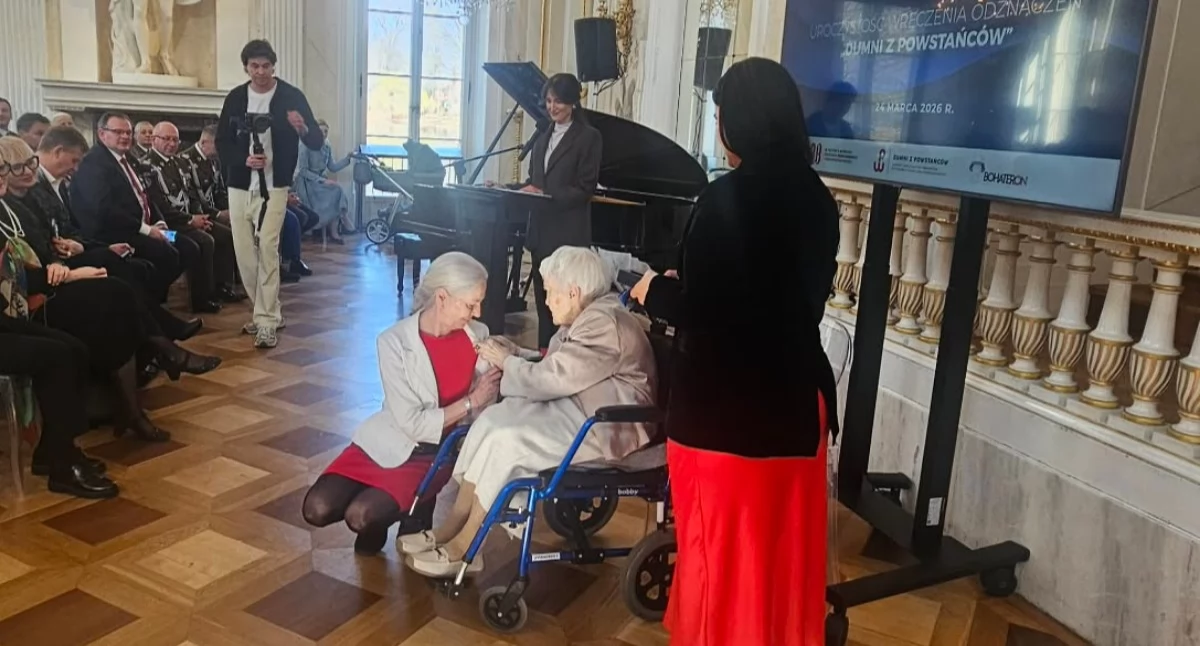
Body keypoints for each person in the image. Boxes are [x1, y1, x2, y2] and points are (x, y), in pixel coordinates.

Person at [628, 58, 841, 646]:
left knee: (717, 562)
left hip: (725, 417)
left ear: (737, 122)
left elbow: (706, 312)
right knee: (778, 564)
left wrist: (654, 290)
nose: (718, 126)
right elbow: (783, 305)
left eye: (720, 113)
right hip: (795, 410)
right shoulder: (819, 200)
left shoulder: (724, 199)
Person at [401, 246, 655, 578]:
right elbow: (561, 363)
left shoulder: (604, 323)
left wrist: (508, 362)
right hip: (580, 408)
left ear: (573, 292)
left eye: (550, 292)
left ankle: (466, 545)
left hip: (606, 426)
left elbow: (553, 379)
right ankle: (451, 527)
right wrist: (514, 352)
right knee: (492, 421)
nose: (546, 301)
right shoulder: (592, 311)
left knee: (508, 440)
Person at [0, 142, 221, 444]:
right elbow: (25, 269)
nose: (26, 172)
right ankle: (159, 352)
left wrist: (73, 249)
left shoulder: (23, 202)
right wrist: (69, 267)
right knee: (114, 286)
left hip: (54, 274)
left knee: (119, 286)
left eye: (29, 163)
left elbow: (58, 236)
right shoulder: (19, 202)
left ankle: (136, 392)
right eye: (13, 168)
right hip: (35, 298)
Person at [302, 252, 500, 555]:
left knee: (361, 515)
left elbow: (493, 392)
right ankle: (402, 509)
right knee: (316, 507)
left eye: (480, 302)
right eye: (471, 303)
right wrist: (471, 402)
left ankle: (411, 509)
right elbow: (412, 423)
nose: (478, 312)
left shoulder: (477, 335)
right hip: (388, 439)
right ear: (442, 297)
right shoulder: (393, 341)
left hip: (435, 452)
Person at [216, 39, 323, 349]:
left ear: (273, 66)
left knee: (268, 248)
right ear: (246, 68)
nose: (260, 72)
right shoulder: (236, 98)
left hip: (275, 186)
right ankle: (263, 309)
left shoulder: (291, 96)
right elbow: (222, 141)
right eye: (254, 66)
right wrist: (243, 159)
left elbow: (315, 140)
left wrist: (302, 129)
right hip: (239, 184)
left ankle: (266, 320)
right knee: (244, 253)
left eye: (265, 66)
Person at [510, 73, 602, 352]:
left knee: (566, 305)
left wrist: (546, 195)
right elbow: (534, 182)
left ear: (573, 101)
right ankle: (543, 355)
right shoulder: (541, 137)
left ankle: (567, 357)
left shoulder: (589, 137)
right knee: (543, 301)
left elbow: (585, 188)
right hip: (540, 232)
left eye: (559, 101)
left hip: (568, 233)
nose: (552, 107)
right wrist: (508, 187)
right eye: (548, 101)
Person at [70, 112, 185, 304]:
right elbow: (105, 210)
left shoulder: (129, 159)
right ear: (102, 134)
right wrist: (148, 230)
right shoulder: (95, 163)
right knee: (167, 253)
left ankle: (154, 305)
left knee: (183, 243)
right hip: (119, 233)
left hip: (150, 226)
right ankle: (151, 308)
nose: (125, 137)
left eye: (128, 132)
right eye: (118, 132)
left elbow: (147, 195)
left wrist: (160, 221)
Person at [144, 120, 241, 307]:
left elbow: (191, 195)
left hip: (187, 220)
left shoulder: (180, 163)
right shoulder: (147, 166)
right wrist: (190, 220)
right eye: (166, 139)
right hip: (166, 228)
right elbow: (159, 207)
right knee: (204, 241)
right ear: (154, 140)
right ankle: (201, 298)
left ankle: (222, 287)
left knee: (225, 234)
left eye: (175, 140)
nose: (172, 144)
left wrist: (201, 217)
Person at [293, 118, 353, 244]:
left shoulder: (326, 146)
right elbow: (303, 171)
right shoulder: (304, 145)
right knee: (336, 190)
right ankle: (343, 218)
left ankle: (334, 231)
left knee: (336, 191)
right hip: (307, 183)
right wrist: (322, 181)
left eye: (326, 132)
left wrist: (347, 159)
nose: (324, 134)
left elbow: (332, 167)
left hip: (320, 182)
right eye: (321, 131)